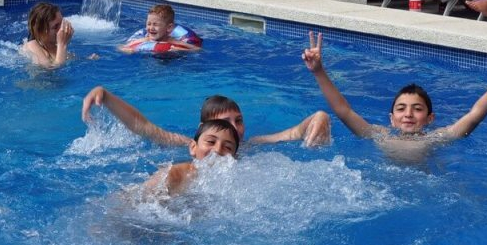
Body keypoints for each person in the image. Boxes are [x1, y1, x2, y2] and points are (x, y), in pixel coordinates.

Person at [301, 32, 487, 161]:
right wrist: (319, 71)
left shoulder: (437, 138)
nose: (408, 114)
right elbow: (344, 111)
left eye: (417, 109)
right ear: (391, 118)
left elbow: (475, 115)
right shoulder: (378, 135)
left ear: (430, 118)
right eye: (401, 109)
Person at [81, 88, 331, 148]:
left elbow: (294, 132)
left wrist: (319, 117)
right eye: (225, 122)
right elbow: (143, 126)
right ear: (202, 130)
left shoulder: (250, 147)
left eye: (238, 120)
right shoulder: (187, 145)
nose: (234, 128)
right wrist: (107, 97)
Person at [143, 119, 239, 196]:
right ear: (193, 147)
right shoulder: (176, 174)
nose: (217, 150)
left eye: (227, 147)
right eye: (211, 142)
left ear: (234, 158)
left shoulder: (235, 182)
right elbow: (143, 196)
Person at [119, 4, 202, 54]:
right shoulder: (145, 40)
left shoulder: (173, 41)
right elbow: (121, 46)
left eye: (155, 24)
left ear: (169, 27)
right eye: (149, 24)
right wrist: (127, 50)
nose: (151, 28)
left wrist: (182, 50)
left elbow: (197, 49)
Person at [21, 2, 74, 69]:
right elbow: (52, 70)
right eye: (55, 27)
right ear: (41, 32)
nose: (61, 29)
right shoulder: (32, 46)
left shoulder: (53, 45)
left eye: (62, 24)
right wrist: (62, 44)